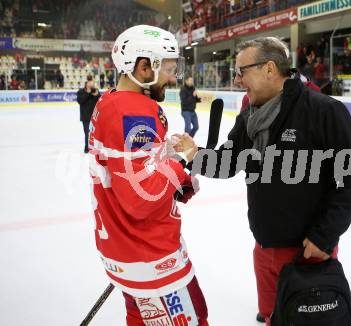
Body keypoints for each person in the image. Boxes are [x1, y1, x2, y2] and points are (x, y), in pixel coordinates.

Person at [174, 37, 351, 324]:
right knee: (272, 317)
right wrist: (195, 154)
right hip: (264, 249)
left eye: (242, 71)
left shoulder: (323, 110)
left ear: (269, 68)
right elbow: (230, 162)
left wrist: (323, 237)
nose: (238, 80)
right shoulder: (250, 116)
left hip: (308, 251)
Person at [87, 25, 208, 325]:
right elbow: (141, 199)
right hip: (152, 258)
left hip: (126, 251)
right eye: (168, 68)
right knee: (197, 317)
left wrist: (168, 162)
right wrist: (179, 164)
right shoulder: (134, 112)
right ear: (144, 67)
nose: (173, 76)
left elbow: (129, 173)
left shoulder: (109, 101)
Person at [77, 75, 100, 153]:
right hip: (85, 117)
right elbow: (80, 101)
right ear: (86, 84)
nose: (90, 84)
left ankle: (95, 148)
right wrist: (88, 93)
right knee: (87, 133)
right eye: (89, 83)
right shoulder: (81, 91)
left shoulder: (95, 91)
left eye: (91, 83)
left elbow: (100, 101)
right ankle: (87, 148)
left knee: (95, 134)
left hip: (94, 117)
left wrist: (97, 95)